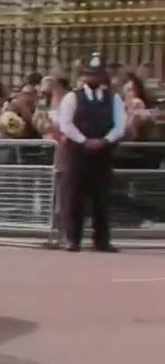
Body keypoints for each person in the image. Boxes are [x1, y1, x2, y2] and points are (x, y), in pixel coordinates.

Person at [57, 53, 126, 253]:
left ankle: (102, 240)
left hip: (103, 153)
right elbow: (66, 124)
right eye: (89, 74)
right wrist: (84, 140)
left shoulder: (113, 99)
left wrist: (104, 141)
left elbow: (120, 125)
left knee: (101, 198)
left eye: (97, 75)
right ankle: (72, 239)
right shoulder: (72, 97)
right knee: (73, 197)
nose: (93, 79)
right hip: (78, 153)